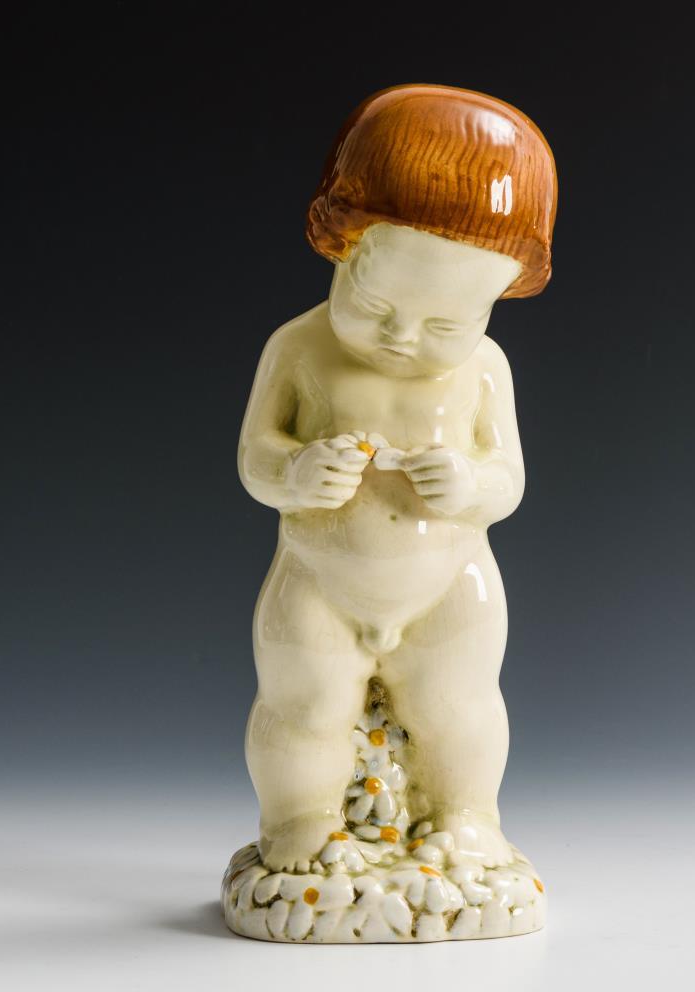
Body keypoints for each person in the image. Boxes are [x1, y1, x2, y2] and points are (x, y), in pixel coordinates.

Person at [237, 84, 557, 872]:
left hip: (449, 584)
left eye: (447, 323)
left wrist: (470, 487)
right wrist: (295, 471)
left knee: (462, 707)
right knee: (302, 706)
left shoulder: (483, 370)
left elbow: (507, 479)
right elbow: (255, 458)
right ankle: (298, 821)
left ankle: (467, 817)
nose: (403, 337)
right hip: (318, 581)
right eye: (376, 303)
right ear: (343, 246)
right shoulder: (298, 349)